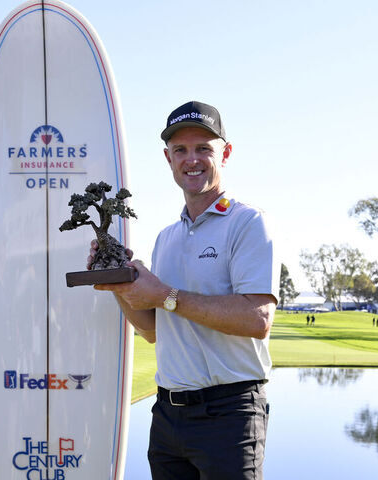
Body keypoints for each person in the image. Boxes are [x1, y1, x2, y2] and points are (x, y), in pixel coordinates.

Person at [90, 100, 278, 480]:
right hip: (168, 417)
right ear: (168, 158)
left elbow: (258, 320)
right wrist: (120, 285)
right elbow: (154, 331)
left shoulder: (247, 224)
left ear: (225, 153)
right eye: (180, 150)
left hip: (230, 413)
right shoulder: (166, 238)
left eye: (203, 148)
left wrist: (164, 295)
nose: (191, 159)